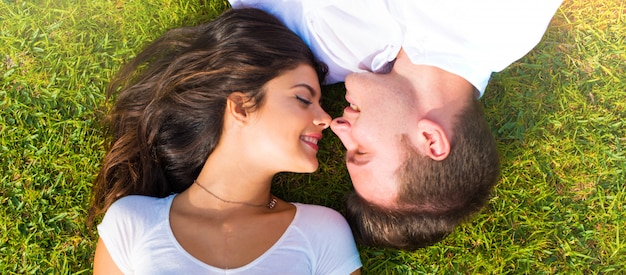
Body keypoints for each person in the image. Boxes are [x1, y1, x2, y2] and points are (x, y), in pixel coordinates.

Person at [229, 0, 563, 250]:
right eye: (362, 152)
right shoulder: (505, 18)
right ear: (431, 140)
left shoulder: (326, 53)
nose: (338, 127)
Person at [87, 8, 362, 274]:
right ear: (240, 107)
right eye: (303, 99)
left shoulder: (322, 233)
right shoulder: (133, 225)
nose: (325, 119)